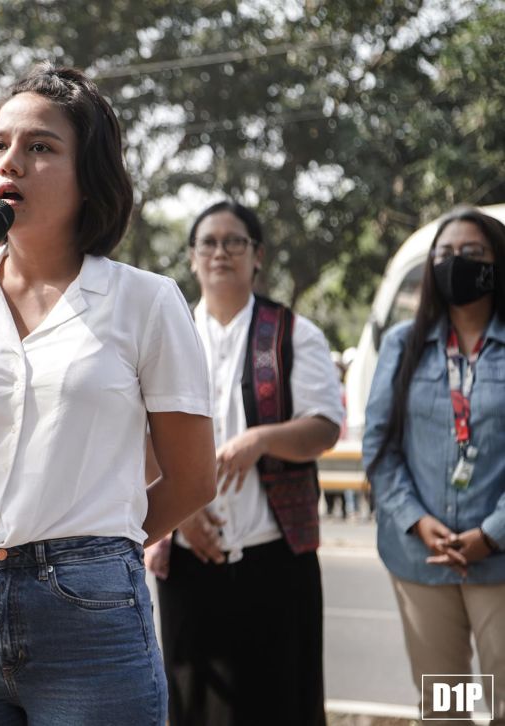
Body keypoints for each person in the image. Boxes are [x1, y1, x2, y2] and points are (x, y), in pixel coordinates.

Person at [0, 65, 216, 725]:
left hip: (90, 622)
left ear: (90, 177)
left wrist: (94, 555)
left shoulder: (145, 301)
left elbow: (194, 477)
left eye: (41, 147)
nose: (12, 163)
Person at [146, 200, 343, 726]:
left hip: (275, 556)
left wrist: (261, 440)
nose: (220, 252)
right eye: (208, 242)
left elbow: (324, 427)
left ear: (257, 256)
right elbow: (135, 439)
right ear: (191, 258)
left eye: (235, 242)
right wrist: (180, 510)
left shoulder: (291, 334)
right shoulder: (165, 331)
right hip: (188, 558)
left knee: (282, 699)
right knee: (193, 702)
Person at [363, 207, 505, 723]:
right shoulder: (404, 344)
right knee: (447, 707)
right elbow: (380, 445)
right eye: (444, 255)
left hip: (499, 560)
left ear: (498, 264)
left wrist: (491, 533)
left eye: (472, 254)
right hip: (422, 559)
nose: (456, 264)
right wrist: (417, 521)